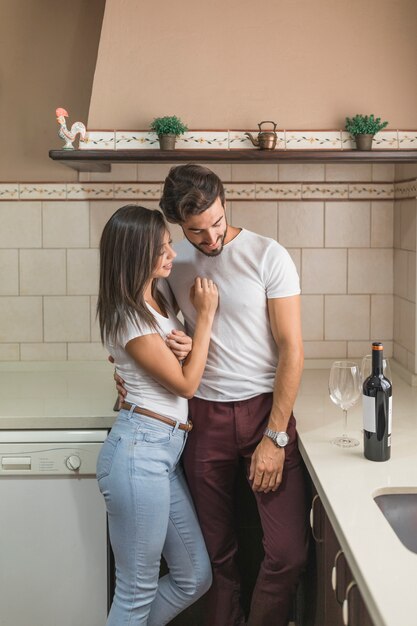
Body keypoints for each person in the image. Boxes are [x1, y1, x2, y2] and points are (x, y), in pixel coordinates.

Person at [116, 165, 309, 626]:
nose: (211, 237)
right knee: (215, 556)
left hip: (266, 411)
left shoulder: (268, 255)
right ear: (179, 225)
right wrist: (127, 374)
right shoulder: (171, 261)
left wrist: (275, 437)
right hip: (200, 416)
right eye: (197, 231)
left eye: (217, 223)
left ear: (225, 202)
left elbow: (293, 348)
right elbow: (150, 332)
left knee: (287, 554)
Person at [96, 204, 217, 626]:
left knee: (194, 577)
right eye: (162, 249)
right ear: (134, 254)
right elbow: (184, 385)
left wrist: (183, 343)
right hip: (139, 453)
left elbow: (157, 364)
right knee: (135, 591)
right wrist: (205, 319)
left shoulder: (155, 299)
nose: (171, 254)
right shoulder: (128, 315)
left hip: (161, 454)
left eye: (168, 245)